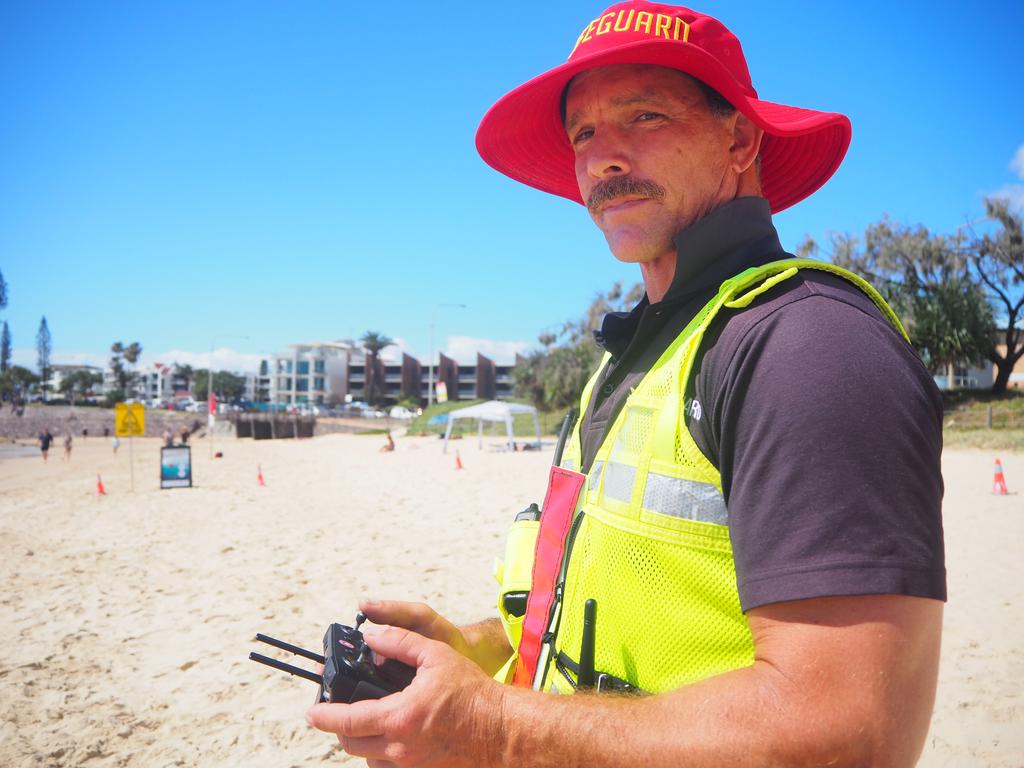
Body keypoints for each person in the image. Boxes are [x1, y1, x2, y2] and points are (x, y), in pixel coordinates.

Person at [307, 3, 945, 766]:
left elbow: (848, 732)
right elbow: (605, 613)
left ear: (739, 138)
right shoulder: (631, 359)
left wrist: (495, 728)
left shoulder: (808, 345)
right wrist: (474, 650)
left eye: (643, 116)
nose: (602, 158)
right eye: (583, 133)